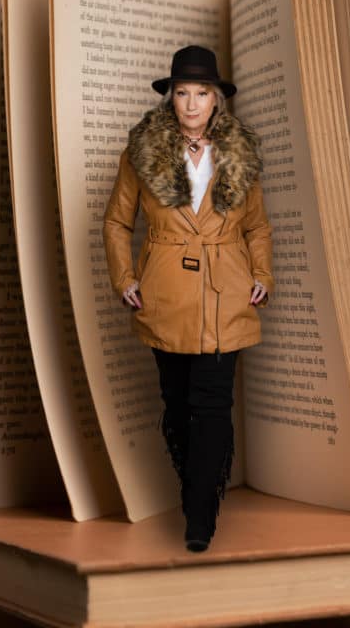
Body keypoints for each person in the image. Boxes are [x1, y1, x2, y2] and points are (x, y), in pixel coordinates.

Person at [102, 44, 274, 552]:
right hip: (166, 294)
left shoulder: (241, 154)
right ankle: (194, 488)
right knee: (177, 407)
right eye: (183, 93)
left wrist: (262, 272)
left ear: (217, 99)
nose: (192, 104)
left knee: (214, 406)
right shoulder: (142, 153)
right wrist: (124, 277)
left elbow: (259, 226)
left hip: (228, 291)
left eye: (202, 93)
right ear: (170, 98)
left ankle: (201, 515)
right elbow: (116, 222)